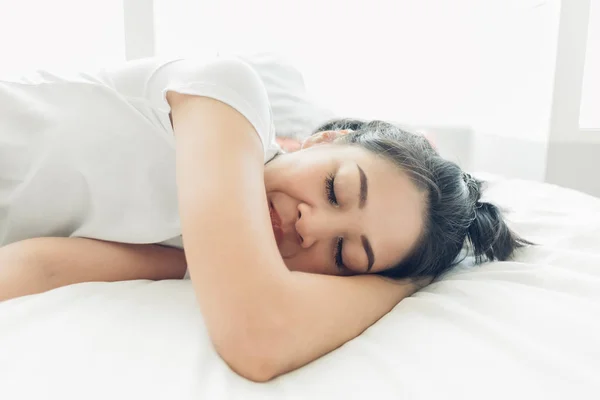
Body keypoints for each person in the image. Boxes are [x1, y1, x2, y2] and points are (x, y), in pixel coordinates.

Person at [0, 56, 529, 381]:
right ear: (324, 139)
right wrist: (405, 283)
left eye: (344, 255)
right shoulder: (229, 95)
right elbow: (258, 341)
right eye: (335, 188)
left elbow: (38, 267)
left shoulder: (188, 256)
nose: (311, 227)